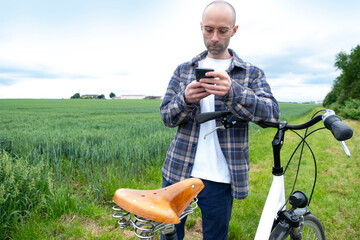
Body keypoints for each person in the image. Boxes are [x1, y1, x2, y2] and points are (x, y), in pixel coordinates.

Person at [160, 1, 280, 239]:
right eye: (209, 29)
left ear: (234, 30)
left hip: (220, 177)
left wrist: (233, 91)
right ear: (201, 27)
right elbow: (166, 116)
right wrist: (185, 99)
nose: (214, 38)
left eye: (223, 31)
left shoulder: (250, 73)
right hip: (178, 172)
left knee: (215, 236)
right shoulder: (183, 70)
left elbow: (272, 114)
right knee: (169, 235)